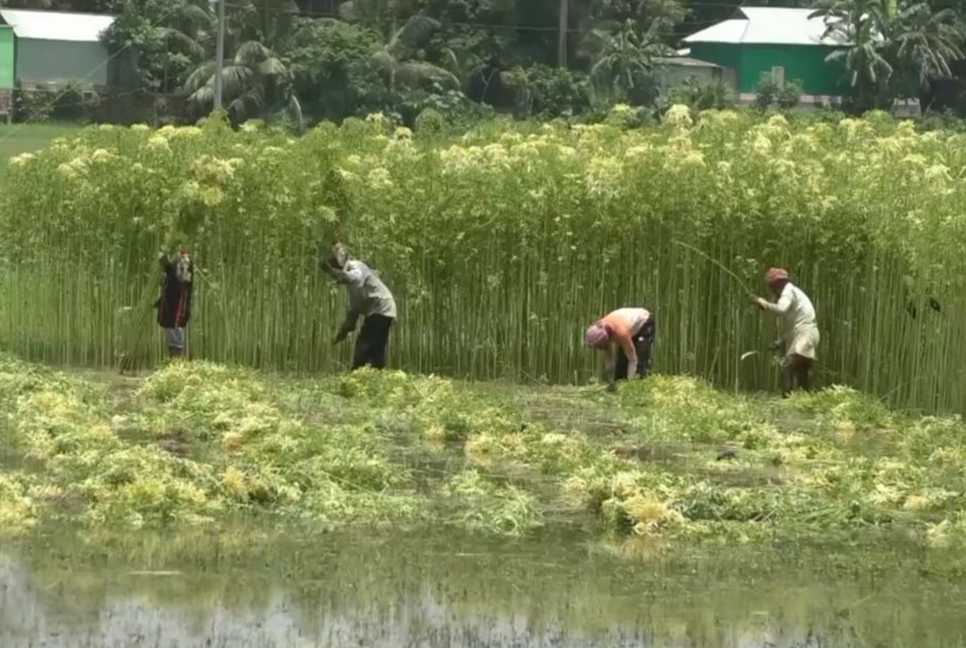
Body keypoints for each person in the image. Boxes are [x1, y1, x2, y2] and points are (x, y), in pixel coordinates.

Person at [321, 243, 397, 370]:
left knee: (364, 343)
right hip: (383, 310)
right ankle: (376, 378)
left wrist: (331, 271)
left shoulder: (356, 266)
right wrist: (340, 335)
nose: (334, 277)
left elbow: (353, 278)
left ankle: (356, 374)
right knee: (377, 348)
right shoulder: (353, 292)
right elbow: (352, 316)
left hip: (381, 307)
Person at [752, 267, 819, 397]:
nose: (771, 290)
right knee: (801, 371)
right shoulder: (793, 292)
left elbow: (780, 310)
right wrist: (780, 342)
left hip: (806, 333)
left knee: (788, 366)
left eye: (771, 286)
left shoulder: (788, 291)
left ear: (777, 284)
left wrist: (762, 302)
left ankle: (786, 400)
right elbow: (793, 324)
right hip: (807, 332)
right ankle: (805, 401)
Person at [585, 308, 656, 390]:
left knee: (639, 364)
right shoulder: (601, 328)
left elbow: (632, 359)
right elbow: (609, 357)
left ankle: (639, 389)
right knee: (620, 367)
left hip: (644, 323)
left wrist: (631, 384)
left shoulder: (620, 333)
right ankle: (617, 389)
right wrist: (611, 381)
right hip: (628, 327)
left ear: (606, 339)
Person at [156, 246, 194, 359]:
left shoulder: (184, 260)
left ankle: (177, 362)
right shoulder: (174, 259)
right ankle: (174, 361)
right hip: (170, 300)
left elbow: (181, 279)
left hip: (177, 301)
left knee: (175, 327)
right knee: (170, 328)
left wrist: (168, 266)